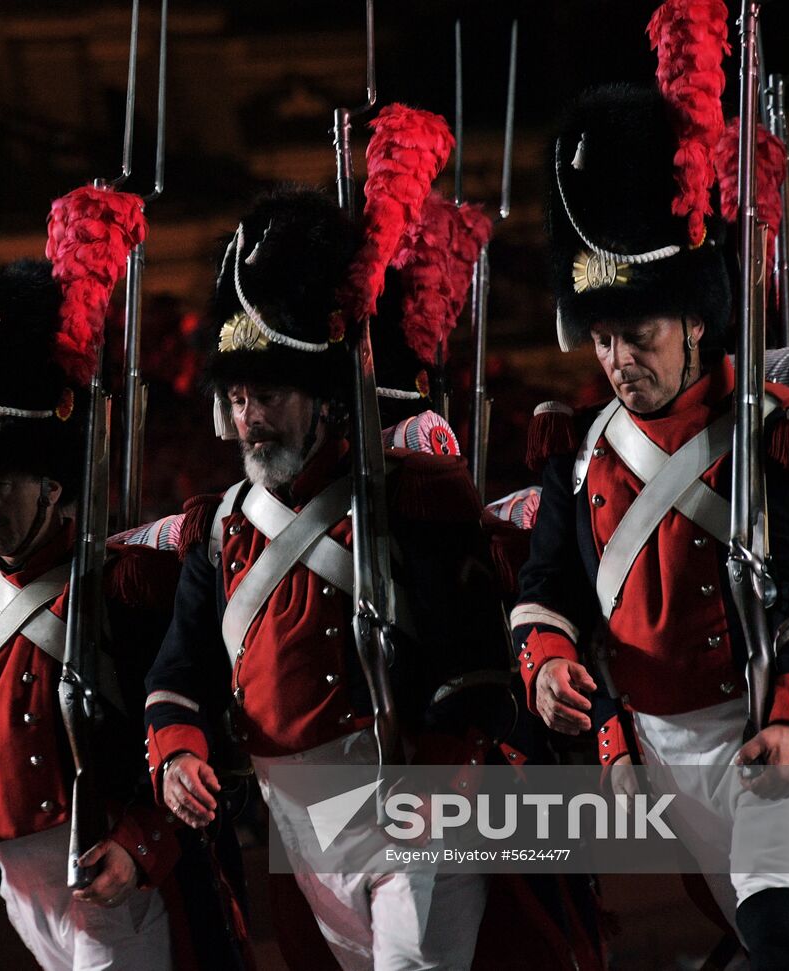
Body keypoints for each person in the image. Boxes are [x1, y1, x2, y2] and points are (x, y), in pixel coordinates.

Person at [513, 85, 789, 968]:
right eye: (602, 338)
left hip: (766, 728)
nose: (618, 361)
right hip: (656, 755)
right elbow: (548, 597)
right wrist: (551, 666)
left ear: (695, 318)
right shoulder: (579, 452)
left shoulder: (782, 431)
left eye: (637, 334)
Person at [143, 188, 512, 970]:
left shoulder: (404, 496)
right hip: (299, 830)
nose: (250, 418)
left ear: (320, 395)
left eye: (268, 395)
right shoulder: (222, 529)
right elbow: (180, 671)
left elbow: (468, 660)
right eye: (239, 398)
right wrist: (177, 750)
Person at [0, 260, 250, 971]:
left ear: (52, 485)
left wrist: (143, 845)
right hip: (23, 893)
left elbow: (192, 724)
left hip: (116, 875)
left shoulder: (123, 590)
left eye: (3, 482)